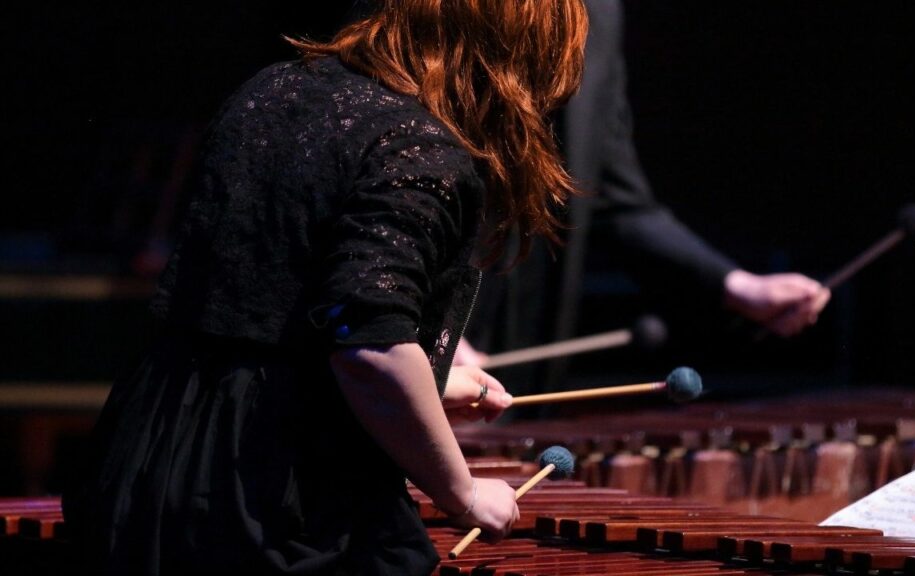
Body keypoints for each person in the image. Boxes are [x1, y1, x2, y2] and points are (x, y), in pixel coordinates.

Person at [61, 1, 589, 574]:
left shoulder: (271, 90)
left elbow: (276, 310)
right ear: (510, 57)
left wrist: (428, 382)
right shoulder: (421, 149)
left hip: (150, 453)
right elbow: (367, 346)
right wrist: (461, 491)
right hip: (270, 497)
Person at [458, 0, 830, 378]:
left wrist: (738, 286)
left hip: (525, 356)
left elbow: (615, 201)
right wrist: (419, 331)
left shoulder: (598, 14)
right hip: (425, 342)